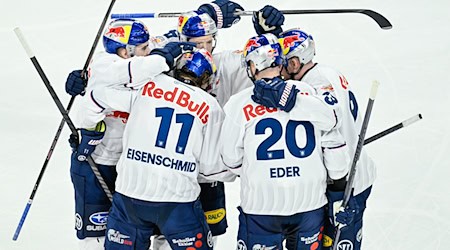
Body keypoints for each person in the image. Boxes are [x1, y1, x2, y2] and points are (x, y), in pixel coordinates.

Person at [74, 46, 232, 250]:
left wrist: (90, 133)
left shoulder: (148, 85)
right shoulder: (210, 106)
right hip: (178, 201)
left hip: (130, 196)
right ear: (207, 79)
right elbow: (212, 168)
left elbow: (96, 97)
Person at [251, 9, 377, 249]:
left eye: (280, 63)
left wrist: (286, 98)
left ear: (295, 62)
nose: (276, 68)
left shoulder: (316, 83)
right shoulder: (324, 72)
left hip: (348, 184)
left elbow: (330, 123)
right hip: (341, 176)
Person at [220, 33, 351, 250]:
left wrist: (261, 169)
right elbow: (333, 136)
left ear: (252, 66)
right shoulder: (308, 93)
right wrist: (338, 185)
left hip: (261, 208)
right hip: (309, 205)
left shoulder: (239, 103)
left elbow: (230, 159)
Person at [67, 18, 164, 250]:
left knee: (138, 232)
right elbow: (132, 74)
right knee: (95, 235)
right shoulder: (105, 65)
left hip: (132, 164)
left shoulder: (138, 61)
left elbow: (168, 42)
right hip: (98, 162)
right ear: (124, 51)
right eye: (143, 48)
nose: (149, 52)